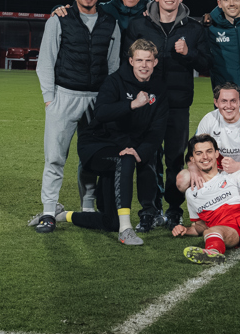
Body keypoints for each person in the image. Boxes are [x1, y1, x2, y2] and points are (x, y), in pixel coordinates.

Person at [32, 0, 122, 232]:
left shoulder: (110, 22)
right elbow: (45, 62)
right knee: (55, 157)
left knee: (91, 157)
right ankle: (49, 211)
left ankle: (87, 208)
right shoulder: (58, 20)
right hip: (64, 96)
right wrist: (50, 100)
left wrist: (108, 98)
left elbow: (114, 66)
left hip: (97, 100)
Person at [124, 0, 212, 231]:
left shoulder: (194, 28)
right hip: (147, 104)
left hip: (178, 104)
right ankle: (149, 211)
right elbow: (126, 62)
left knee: (174, 159)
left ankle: (174, 210)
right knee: (147, 157)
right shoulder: (139, 24)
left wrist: (188, 53)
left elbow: (206, 63)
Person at [60, 39, 167, 246]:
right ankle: (126, 230)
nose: (144, 65)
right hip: (97, 144)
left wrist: (140, 152)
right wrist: (132, 104)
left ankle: (63, 215)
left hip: (125, 149)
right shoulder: (115, 81)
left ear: (155, 62)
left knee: (110, 221)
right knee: (125, 159)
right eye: (139, 60)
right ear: (131, 61)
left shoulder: (160, 88)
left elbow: (158, 129)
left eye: (148, 60)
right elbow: (101, 112)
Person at [170, 134, 240, 264]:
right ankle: (212, 252)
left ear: (217, 154)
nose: (205, 157)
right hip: (225, 225)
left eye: (209, 151)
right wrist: (186, 230)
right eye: (199, 153)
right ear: (192, 159)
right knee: (211, 231)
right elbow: (200, 225)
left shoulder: (234, 174)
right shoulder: (191, 193)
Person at [194, 83, 240, 181]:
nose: (228, 106)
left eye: (233, 101)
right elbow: (194, 151)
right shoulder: (209, 119)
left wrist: (239, 166)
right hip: (217, 169)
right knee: (183, 179)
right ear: (216, 102)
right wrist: (193, 169)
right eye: (224, 101)